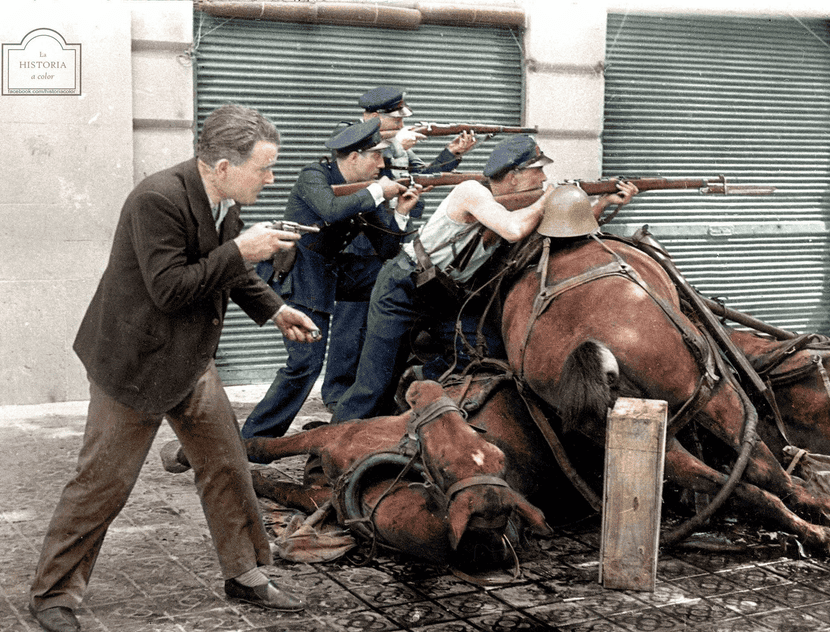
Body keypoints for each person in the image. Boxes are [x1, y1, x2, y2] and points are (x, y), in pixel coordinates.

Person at [28, 104, 319, 632]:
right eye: (265, 167)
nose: (273, 179)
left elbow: (224, 272)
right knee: (103, 483)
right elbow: (169, 289)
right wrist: (240, 249)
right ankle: (53, 594)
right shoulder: (157, 199)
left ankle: (246, 573)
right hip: (134, 364)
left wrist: (275, 309)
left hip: (189, 361)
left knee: (227, 465)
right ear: (223, 165)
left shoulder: (222, 200)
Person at [331, 134, 638, 423]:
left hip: (444, 293)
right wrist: (547, 200)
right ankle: (328, 452)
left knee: (483, 351)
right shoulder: (471, 192)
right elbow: (514, 230)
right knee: (374, 381)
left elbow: (556, 234)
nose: (544, 179)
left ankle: (418, 388)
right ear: (514, 176)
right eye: (537, 172)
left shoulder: (521, 208)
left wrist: (603, 203)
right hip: (403, 285)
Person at [240, 118, 423, 440]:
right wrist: (378, 191)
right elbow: (330, 210)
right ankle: (256, 437)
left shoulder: (369, 190)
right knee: (305, 363)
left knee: (399, 277)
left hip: (334, 270)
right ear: (354, 157)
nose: (383, 164)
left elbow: (387, 249)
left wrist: (400, 214)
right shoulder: (315, 176)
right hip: (302, 273)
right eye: (376, 157)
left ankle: (374, 394)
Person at [321, 86, 478, 412]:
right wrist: (395, 146)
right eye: (394, 117)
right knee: (351, 325)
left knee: (381, 326)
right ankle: (337, 395)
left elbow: (420, 179)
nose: (400, 122)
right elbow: (356, 182)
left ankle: (372, 395)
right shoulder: (348, 135)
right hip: (359, 243)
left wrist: (451, 154)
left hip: (392, 238)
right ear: (375, 116)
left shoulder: (398, 143)